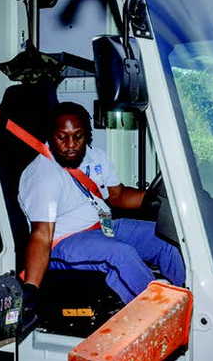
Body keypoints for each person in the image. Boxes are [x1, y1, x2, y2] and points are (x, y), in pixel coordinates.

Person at [18, 102, 185, 310]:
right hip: (64, 241)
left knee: (169, 237)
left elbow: (118, 196)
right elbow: (42, 235)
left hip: (103, 227)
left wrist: (160, 200)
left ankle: (190, 303)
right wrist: (31, 288)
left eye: (77, 136)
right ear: (51, 136)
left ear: (86, 135)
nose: (70, 144)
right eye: (62, 137)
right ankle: (158, 314)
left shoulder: (95, 156)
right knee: (120, 254)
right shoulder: (44, 176)